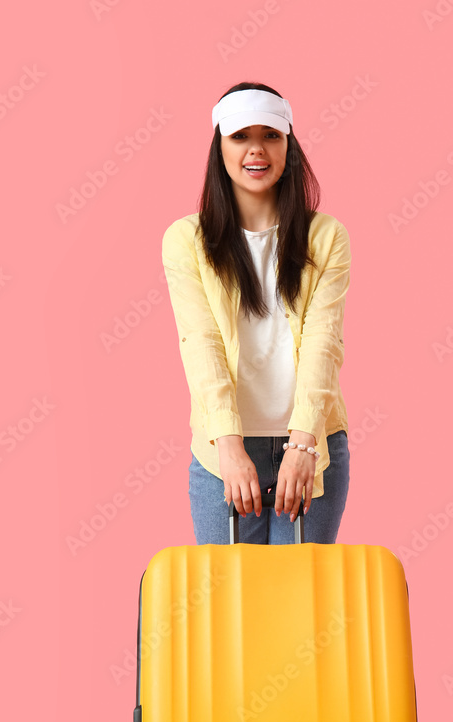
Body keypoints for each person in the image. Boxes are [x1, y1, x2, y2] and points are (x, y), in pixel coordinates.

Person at [162, 81, 351, 544]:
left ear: (289, 145)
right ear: (219, 147)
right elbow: (201, 344)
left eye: (271, 135)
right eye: (240, 136)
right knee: (227, 612)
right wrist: (229, 444)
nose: (256, 149)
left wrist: (305, 442)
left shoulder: (325, 237)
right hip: (221, 452)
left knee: (301, 610)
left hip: (311, 447)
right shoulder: (187, 240)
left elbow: (323, 344)